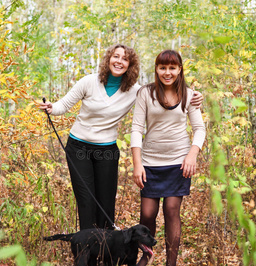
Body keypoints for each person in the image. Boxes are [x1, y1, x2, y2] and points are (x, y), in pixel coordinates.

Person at [39, 44, 204, 231]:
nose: (119, 61)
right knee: (86, 201)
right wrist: (52, 108)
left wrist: (195, 96)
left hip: (107, 150)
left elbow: (165, 94)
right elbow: (64, 104)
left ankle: (106, 254)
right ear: (108, 59)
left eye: (125, 59)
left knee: (106, 203)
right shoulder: (89, 82)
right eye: (116, 56)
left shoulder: (136, 91)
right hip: (79, 148)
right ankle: (86, 254)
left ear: (130, 65)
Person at [131, 50, 206, 266]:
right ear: (156, 69)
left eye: (172, 68)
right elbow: (136, 129)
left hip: (178, 163)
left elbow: (200, 129)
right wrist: (137, 164)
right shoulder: (146, 93)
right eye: (162, 67)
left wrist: (192, 155)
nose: (167, 72)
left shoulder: (190, 95)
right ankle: (147, 254)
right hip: (151, 163)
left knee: (172, 210)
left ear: (180, 70)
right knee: (148, 214)